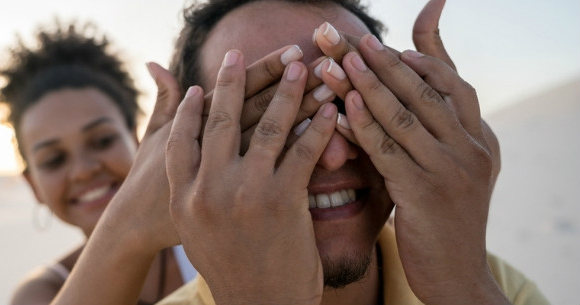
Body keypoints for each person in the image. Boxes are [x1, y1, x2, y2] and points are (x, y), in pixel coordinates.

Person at [48, 1, 545, 304]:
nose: (329, 156)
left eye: (352, 105)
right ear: (193, 153)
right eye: (267, 121)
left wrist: (461, 288)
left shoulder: (493, 289)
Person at [0, 21, 194, 305]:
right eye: (54, 160)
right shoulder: (43, 293)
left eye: (102, 141)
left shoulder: (208, 232)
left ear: (137, 141)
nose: (83, 170)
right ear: (33, 186)